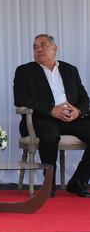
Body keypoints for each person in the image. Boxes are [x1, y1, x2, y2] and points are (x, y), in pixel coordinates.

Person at [13, 34, 90, 197]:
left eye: (43, 45)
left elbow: (84, 97)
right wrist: (50, 110)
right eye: (35, 47)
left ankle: (79, 181)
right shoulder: (24, 70)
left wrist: (78, 111)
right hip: (41, 118)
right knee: (49, 135)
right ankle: (49, 183)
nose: (39, 50)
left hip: (70, 118)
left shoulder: (70, 70)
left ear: (54, 49)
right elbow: (20, 98)